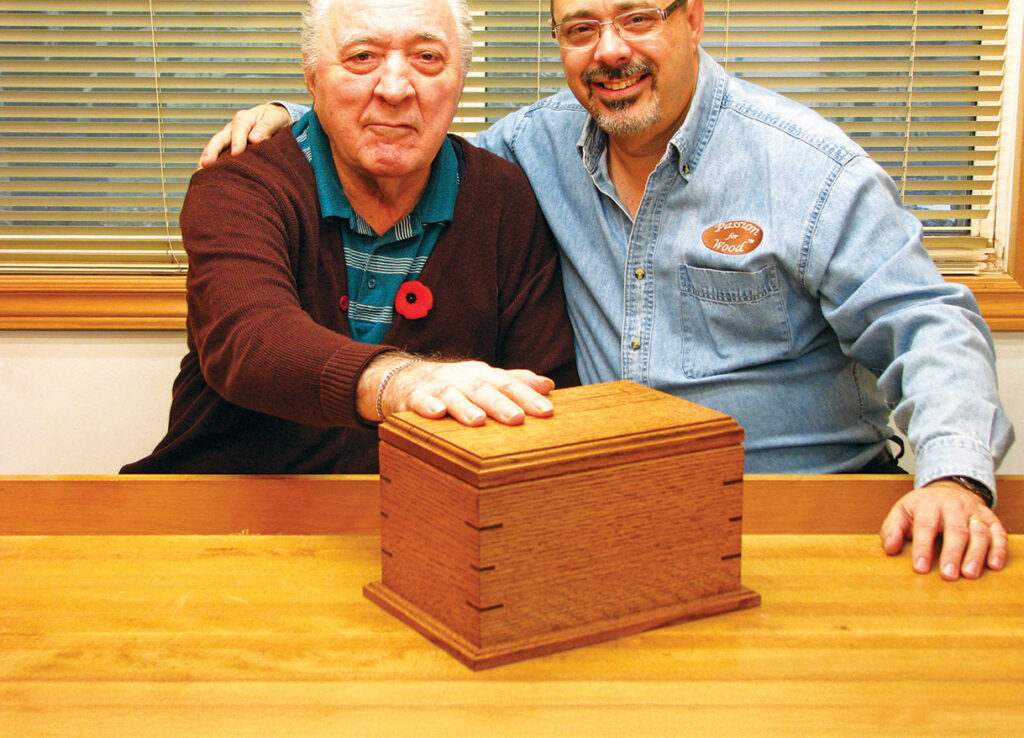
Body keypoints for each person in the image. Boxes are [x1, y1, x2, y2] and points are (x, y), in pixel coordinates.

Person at [198, 0, 1014, 581]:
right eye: (581, 28)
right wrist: (294, 115)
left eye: (638, 17)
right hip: (607, 514)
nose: (610, 50)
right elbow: (403, 132)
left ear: (694, 18)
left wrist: (954, 475)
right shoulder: (534, 147)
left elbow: (925, 321)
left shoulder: (808, 167)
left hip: (798, 513)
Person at [122, 0, 578, 476]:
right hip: (224, 501)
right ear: (311, 75)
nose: (395, 89)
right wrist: (401, 382)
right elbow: (250, 340)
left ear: (460, 78)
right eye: (362, 57)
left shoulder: (504, 197)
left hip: (427, 505)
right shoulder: (240, 187)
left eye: (427, 58)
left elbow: (545, 389)